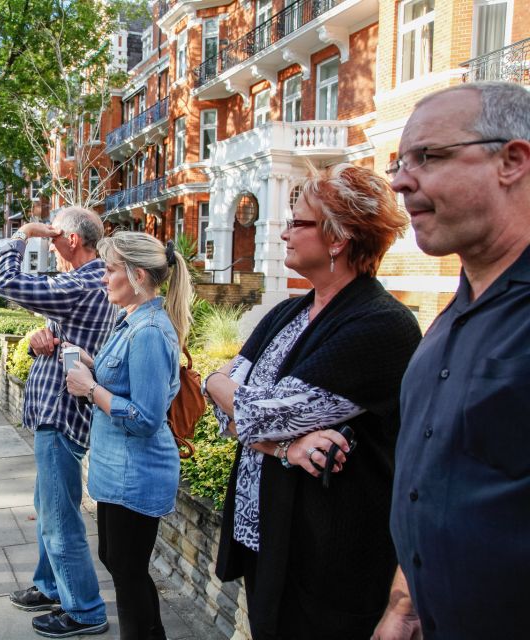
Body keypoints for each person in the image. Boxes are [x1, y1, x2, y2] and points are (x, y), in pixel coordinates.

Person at [204, 164, 422, 640]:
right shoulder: (290, 311)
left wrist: (234, 397)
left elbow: (253, 414)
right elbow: (223, 403)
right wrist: (286, 447)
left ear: (338, 237)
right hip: (266, 540)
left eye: (297, 222)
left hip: (328, 560)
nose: (283, 232)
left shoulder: (380, 326)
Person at [374, 81, 530, 640]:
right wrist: (405, 604)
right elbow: (434, 483)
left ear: (511, 161)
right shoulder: (446, 318)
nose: (399, 181)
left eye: (428, 157)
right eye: (399, 161)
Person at [0, 207, 115, 638]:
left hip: (63, 415)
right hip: (56, 411)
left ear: (72, 240)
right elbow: (66, 341)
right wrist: (41, 339)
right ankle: (49, 586)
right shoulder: (92, 282)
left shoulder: (83, 281)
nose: (51, 245)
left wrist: (22, 234)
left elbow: (4, 281)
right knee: (48, 508)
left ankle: (84, 609)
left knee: (60, 516)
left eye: (54, 237)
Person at [64, 232, 192, 640]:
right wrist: (87, 362)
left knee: (128, 569)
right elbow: (125, 383)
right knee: (118, 562)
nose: (103, 278)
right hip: (118, 469)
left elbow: (146, 417)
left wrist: (90, 388)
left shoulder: (149, 331)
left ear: (137, 275)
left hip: (136, 473)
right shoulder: (133, 322)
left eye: (109, 270)